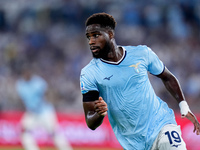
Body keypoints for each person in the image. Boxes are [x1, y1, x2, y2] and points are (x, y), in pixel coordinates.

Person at [80, 12, 200, 150]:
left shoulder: (142, 53)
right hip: (133, 143)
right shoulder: (89, 73)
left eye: (96, 35)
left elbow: (167, 77)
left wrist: (184, 105)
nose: (91, 41)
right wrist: (99, 114)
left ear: (110, 34)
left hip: (161, 125)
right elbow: (90, 120)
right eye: (88, 37)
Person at [16, 65, 73, 150]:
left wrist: (45, 102)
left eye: (27, 72)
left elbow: (48, 93)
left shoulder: (38, 82)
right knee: (24, 132)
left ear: (30, 73)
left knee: (54, 132)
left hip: (45, 111)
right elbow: (22, 99)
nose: (26, 74)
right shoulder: (20, 84)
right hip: (32, 112)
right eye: (24, 73)